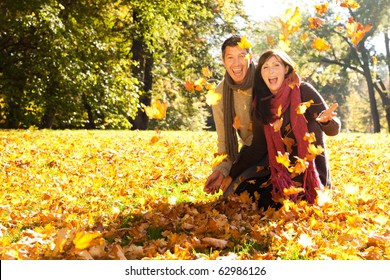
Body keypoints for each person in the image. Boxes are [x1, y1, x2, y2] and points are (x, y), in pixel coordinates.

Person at [221, 49, 341, 209]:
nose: (270, 71)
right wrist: (231, 174)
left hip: (309, 174)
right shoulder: (262, 104)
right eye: (265, 67)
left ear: (285, 69)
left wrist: (327, 122)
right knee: (241, 192)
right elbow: (257, 147)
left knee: (276, 204)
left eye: (276, 65)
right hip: (281, 172)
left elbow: (333, 130)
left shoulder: (303, 91)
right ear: (261, 74)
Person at [203, 35, 257, 194]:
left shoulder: (264, 79)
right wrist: (221, 170)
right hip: (249, 152)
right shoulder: (220, 93)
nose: (237, 63)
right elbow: (224, 140)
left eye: (242, 56)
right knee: (231, 193)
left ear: (250, 57)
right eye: (230, 57)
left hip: (273, 148)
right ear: (223, 60)